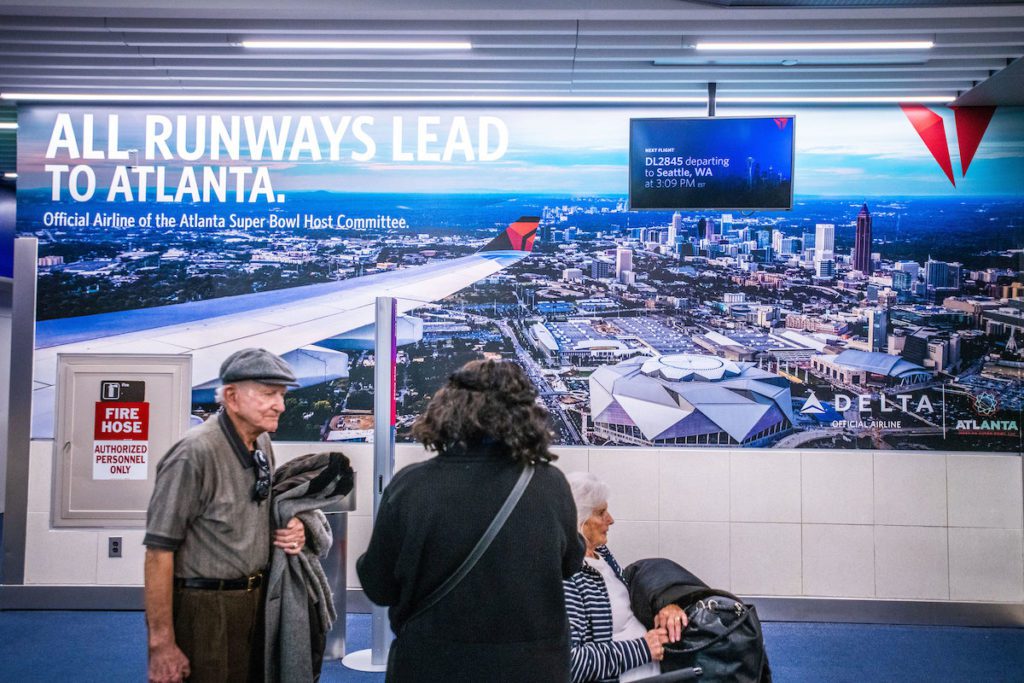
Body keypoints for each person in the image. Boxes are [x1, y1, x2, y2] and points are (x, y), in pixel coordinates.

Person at [357, 359, 585, 683]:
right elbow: (570, 565)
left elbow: (378, 587)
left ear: (446, 409)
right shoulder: (550, 484)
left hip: (433, 663)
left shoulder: (410, 487)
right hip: (533, 666)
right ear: (525, 414)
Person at [143, 348, 308, 683]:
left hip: (253, 602)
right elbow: (158, 551)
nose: (280, 405)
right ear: (231, 397)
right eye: (268, 394)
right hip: (205, 608)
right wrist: (161, 644)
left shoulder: (261, 442)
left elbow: (261, 507)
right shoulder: (194, 454)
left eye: (281, 394)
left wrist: (293, 526)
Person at [563, 472, 688, 683]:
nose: (610, 520)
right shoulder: (568, 576)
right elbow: (570, 663)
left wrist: (665, 607)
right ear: (578, 521)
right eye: (601, 513)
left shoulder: (602, 557)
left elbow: (630, 603)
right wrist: (642, 648)